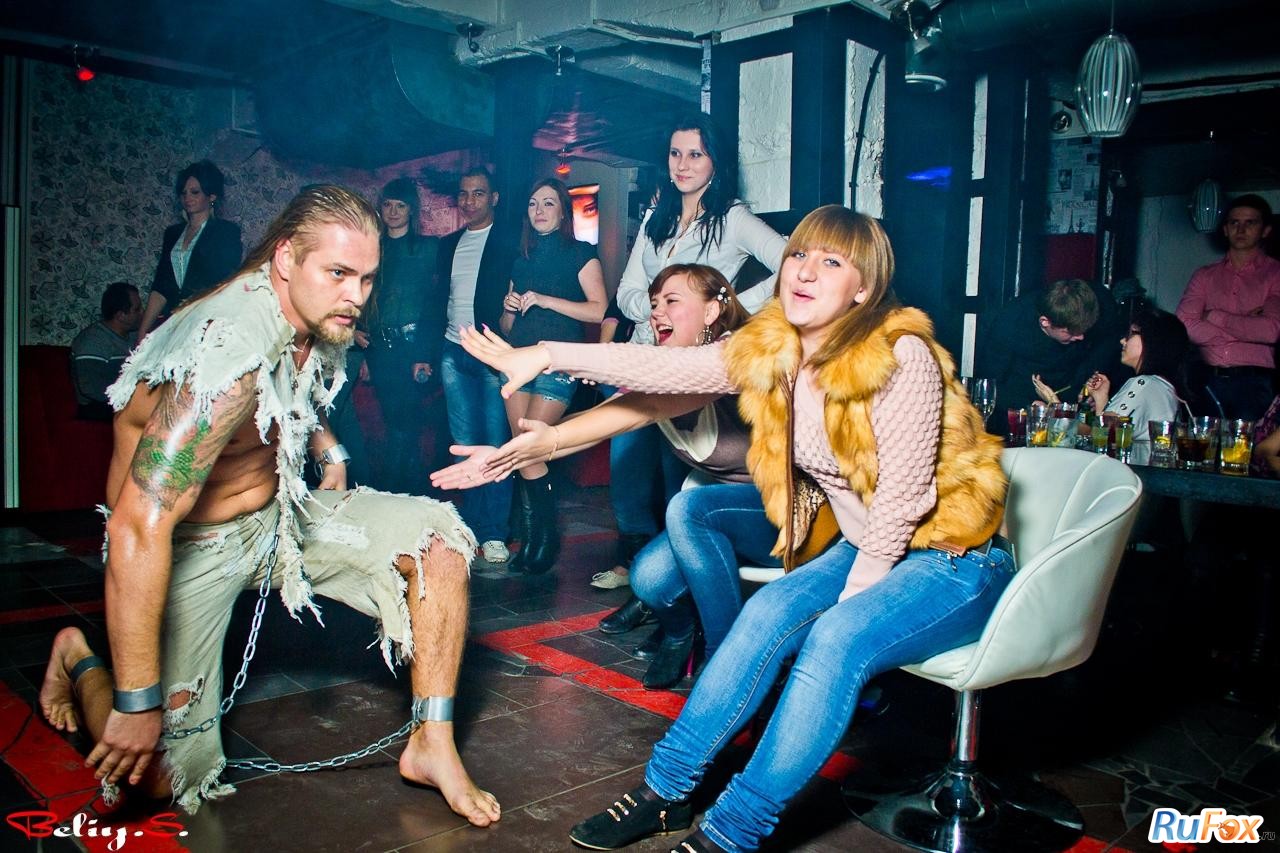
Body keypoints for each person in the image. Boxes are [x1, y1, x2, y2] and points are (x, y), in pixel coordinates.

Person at [458, 205, 1012, 852]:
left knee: (834, 640)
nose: (805, 271)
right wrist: (548, 352)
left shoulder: (900, 353)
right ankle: (664, 794)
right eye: (799, 254)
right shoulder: (776, 347)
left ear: (863, 288)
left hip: (952, 559)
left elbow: (901, 501)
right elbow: (667, 373)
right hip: (865, 545)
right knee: (763, 614)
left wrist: (847, 606)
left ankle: (731, 834)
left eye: (831, 261)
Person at [36, 186, 499, 827]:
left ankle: (432, 744)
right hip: (187, 545)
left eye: (367, 278)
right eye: (339, 273)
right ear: (285, 258)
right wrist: (137, 702)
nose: (356, 295)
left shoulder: (316, 313)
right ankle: (78, 658)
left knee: (438, 542)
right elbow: (140, 524)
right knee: (162, 777)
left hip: (277, 516)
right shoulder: (225, 355)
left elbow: (293, 389)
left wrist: (330, 449)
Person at [436, 264, 785, 689]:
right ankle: (682, 633)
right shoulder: (664, 376)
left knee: (687, 507)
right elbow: (611, 417)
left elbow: (650, 400)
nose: (657, 313)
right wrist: (509, 456)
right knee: (648, 582)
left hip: (778, 519)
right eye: (654, 304)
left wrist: (546, 353)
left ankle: (728, 665)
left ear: (712, 311)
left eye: (672, 301)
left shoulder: (736, 356)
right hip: (714, 518)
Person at [600, 114, 786, 615]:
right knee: (626, 473)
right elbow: (627, 289)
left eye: (696, 154)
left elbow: (791, 262)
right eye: (675, 153)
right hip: (643, 358)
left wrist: (729, 307)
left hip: (693, 366)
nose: (683, 164)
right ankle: (643, 579)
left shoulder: (734, 219)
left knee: (675, 477)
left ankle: (669, 599)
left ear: (715, 162)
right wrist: (653, 308)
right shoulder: (656, 218)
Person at [498, 178, 606, 573]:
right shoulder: (521, 259)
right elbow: (507, 327)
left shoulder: (581, 254)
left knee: (531, 447)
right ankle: (533, 541)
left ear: (563, 211)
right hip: (518, 360)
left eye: (548, 203)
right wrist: (508, 308)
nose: (539, 210)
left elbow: (598, 309)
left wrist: (544, 300)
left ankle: (546, 541)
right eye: (533, 203)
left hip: (558, 362)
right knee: (521, 449)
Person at [437, 167, 518, 565]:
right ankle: (470, 529)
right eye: (464, 193)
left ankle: (494, 533)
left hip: (491, 354)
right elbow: (440, 299)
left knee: (497, 444)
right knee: (464, 445)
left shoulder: (509, 242)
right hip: (453, 352)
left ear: (494, 198)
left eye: (479, 193)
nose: (469, 201)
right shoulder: (449, 244)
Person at [365, 177, 446, 493]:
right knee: (394, 422)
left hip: (414, 347)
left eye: (400, 205)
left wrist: (424, 354)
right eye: (388, 205)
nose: (393, 212)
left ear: (412, 210)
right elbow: (363, 295)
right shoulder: (373, 247)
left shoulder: (429, 248)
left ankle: (393, 492)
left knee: (406, 424)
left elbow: (435, 303)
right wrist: (360, 340)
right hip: (379, 347)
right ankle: (409, 495)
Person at [1035, 310, 1189, 465]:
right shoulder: (1163, 386)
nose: (1123, 341)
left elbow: (1096, 436)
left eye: (1131, 335)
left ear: (1152, 340)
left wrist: (1056, 408)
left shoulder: (1143, 383)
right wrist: (1101, 399)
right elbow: (1107, 437)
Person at [1175, 194, 1280, 420]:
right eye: (1234, 222)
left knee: (1248, 443)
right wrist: (1245, 326)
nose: (1241, 229)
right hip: (1207, 379)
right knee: (1200, 441)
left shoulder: (1275, 274)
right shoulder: (1204, 275)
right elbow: (1184, 324)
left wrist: (1213, 316)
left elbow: (1270, 331)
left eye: (1250, 222)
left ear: (1265, 230)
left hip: (1254, 384)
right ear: (1225, 229)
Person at [137, 161, 243, 340]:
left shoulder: (226, 232)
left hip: (205, 322)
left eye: (195, 192)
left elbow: (224, 283)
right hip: (172, 321)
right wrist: (143, 331)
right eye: (183, 192)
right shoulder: (172, 234)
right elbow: (161, 286)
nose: (187, 198)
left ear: (211, 196)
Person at [975, 278, 1101, 412]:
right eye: (1071, 332)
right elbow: (987, 385)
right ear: (1045, 322)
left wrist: (1089, 390)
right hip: (1018, 406)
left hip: (1067, 404)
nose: (1081, 337)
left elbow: (1093, 359)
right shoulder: (1009, 324)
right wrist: (1027, 404)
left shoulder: (1080, 316)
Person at [70, 281, 142, 420]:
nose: (142, 313)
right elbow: (91, 389)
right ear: (121, 315)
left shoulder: (135, 335)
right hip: (98, 408)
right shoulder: (93, 341)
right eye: (137, 309)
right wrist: (133, 397)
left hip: (124, 402)